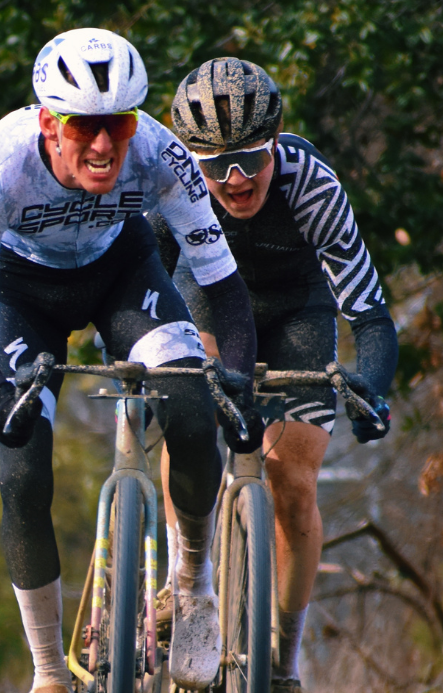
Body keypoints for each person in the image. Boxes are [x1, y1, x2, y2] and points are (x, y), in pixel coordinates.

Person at [0, 28, 263, 692]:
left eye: (119, 122)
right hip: (20, 295)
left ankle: (193, 584)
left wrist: (235, 379)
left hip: (122, 275)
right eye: (84, 126)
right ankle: (49, 671)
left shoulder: (161, 154)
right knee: (22, 474)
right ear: (49, 124)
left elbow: (224, 285)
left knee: (193, 412)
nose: (105, 144)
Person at [156, 57, 398, 693]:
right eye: (215, 166)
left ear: (276, 143)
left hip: (297, 309)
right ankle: (186, 578)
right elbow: (141, 275)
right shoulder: (173, 179)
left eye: (250, 160)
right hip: (208, 297)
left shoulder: (311, 184)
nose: (235, 181)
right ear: (192, 161)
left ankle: (284, 663)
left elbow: (370, 314)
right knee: (190, 411)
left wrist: (373, 391)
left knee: (293, 481)